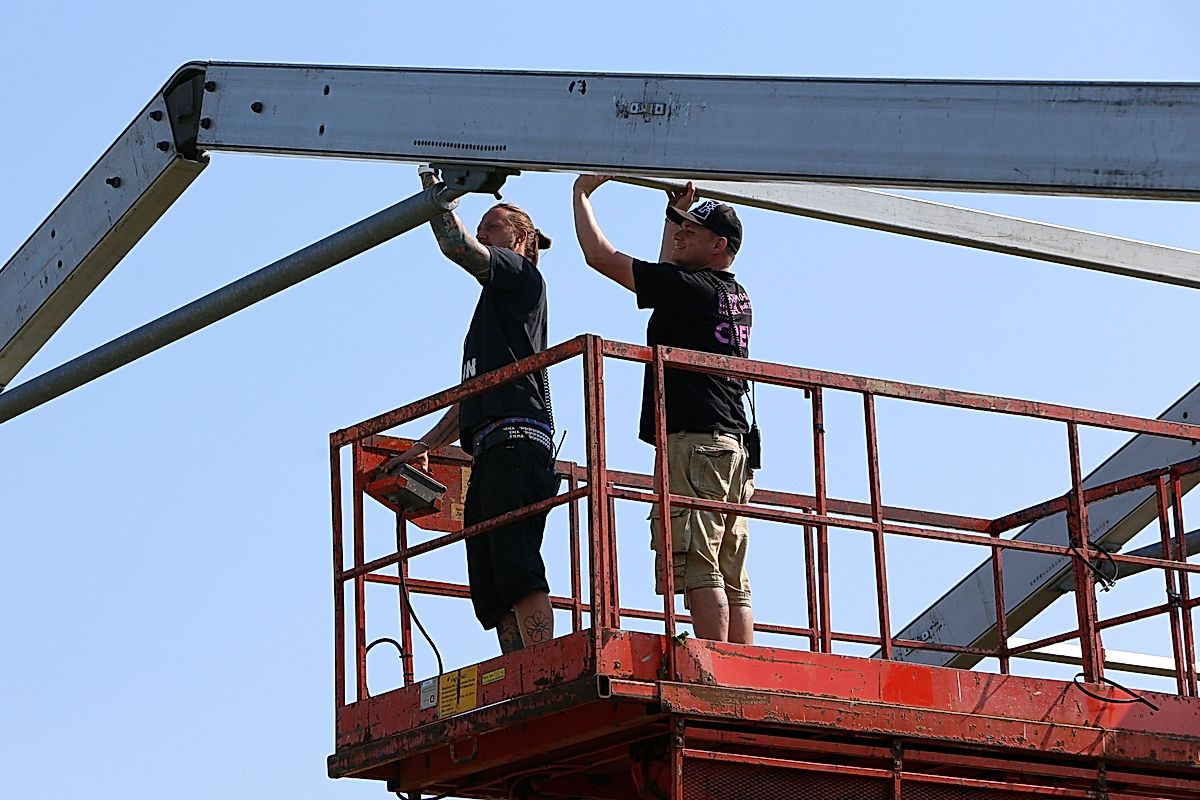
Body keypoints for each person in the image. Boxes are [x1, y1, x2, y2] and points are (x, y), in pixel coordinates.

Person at [380, 165, 558, 654]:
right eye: (480, 227)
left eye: (492, 227)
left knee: (516, 564)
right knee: (490, 579)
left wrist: (435, 194)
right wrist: (420, 449)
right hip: (492, 446)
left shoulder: (523, 278)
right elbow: (472, 401)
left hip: (516, 444)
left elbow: (455, 245)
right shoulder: (494, 315)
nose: (481, 233)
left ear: (521, 240)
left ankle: (542, 665)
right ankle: (521, 669)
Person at [572, 176, 755, 644]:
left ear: (719, 245)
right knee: (729, 566)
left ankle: (713, 667)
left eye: (690, 232)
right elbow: (666, 275)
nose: (680, 236)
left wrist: (581, 194)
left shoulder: (691, 288)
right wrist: (674, 216)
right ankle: (742, 667)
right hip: (730, 444)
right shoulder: (732, 293)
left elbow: (600, 257)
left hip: (694, 442)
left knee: (697, 562)